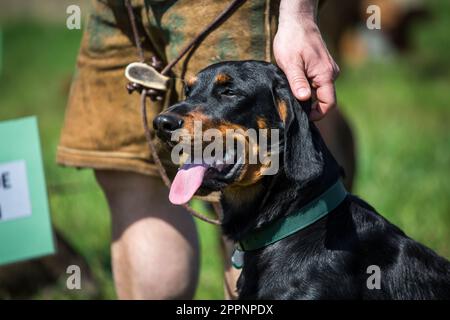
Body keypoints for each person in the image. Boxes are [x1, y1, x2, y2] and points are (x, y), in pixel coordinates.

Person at [57, 0, 351, 299]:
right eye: (190, 92)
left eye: (227, 92)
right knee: (128, 170)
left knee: (262, 202)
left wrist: (298, 15)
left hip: (221, 7)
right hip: (117, 10)